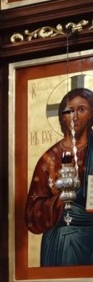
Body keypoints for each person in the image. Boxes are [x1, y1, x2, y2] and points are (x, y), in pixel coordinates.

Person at [25, 87, 93, 266]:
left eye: (82, 109)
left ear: (91, 114)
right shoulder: (49, 159)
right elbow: (32, 214)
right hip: (62, 243)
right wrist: (59, 201)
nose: (74, 116)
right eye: (69, 111)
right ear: (62, 117)